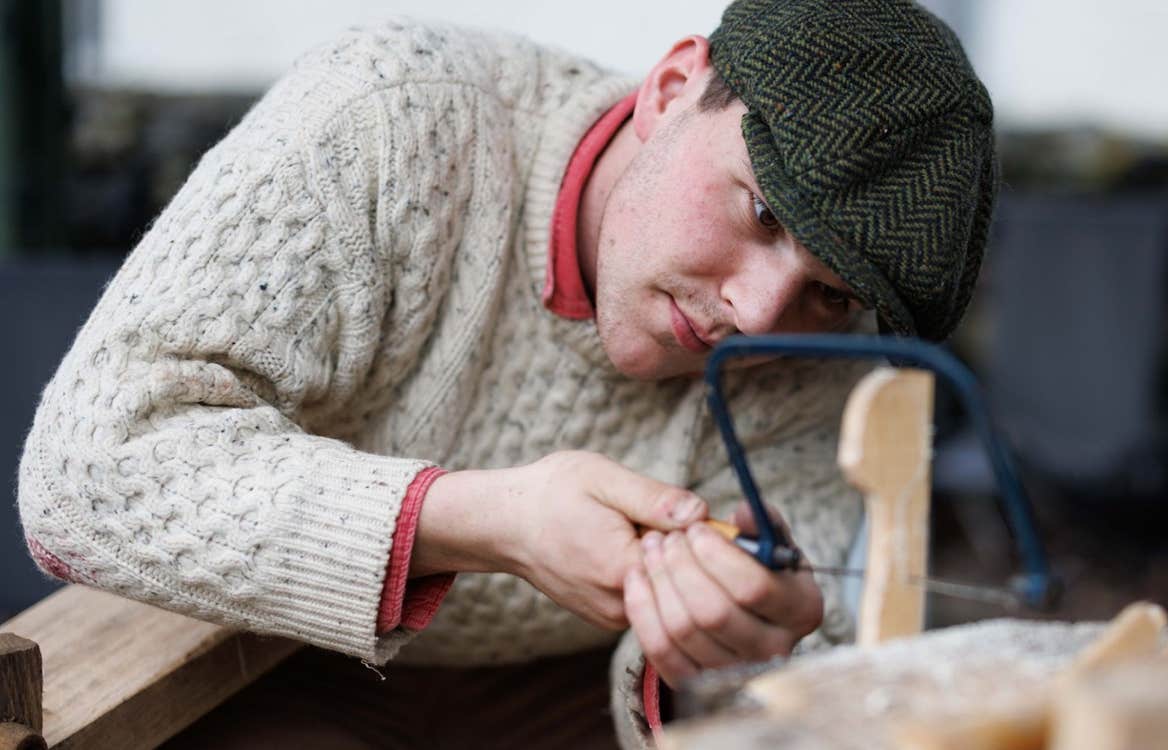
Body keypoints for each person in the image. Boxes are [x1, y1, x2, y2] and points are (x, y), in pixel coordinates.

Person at [16, 0, 996, 746]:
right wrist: (484, 520)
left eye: (827, 291)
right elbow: (88, 470)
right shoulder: (390, 115)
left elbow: (814, 653)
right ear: (669, 89)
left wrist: (733, 647)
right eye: (762, 213)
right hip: (271, 665)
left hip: (570, 705)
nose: (758, 314)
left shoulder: (825, 345)